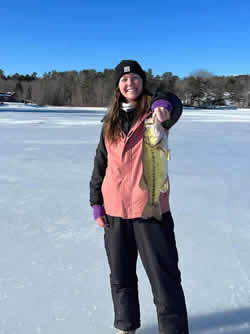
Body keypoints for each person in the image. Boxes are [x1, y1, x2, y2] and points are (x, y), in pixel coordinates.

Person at [89, 60, 189, 334]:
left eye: (134, 78)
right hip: (115, 213)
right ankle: (126, 327)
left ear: (142, 82)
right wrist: (96, 202)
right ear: (117, 87)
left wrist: (165, 106)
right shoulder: (109, 122)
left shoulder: (155, 115)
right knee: (121, 279)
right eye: (123, 80)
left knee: (164, 280)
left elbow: (172, 102)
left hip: (149, 211)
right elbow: (100, 163)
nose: (129, 83)